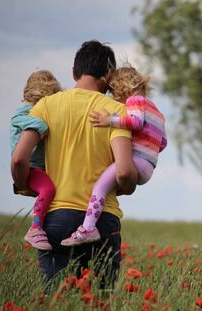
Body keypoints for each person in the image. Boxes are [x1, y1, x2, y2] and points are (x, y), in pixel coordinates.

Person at [11, 40, 138, 287]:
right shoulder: (116, 112)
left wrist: (24, 185)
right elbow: (123, 171)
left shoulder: (45, 106)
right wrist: (130, 184)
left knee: (57, 300)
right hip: (102, 220)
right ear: (108, 76)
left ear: (73, 73)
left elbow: (18, 158)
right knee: (99, 302)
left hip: (56, 218)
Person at [61, 66, 167, 246]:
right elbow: (163, 143)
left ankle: (88, 228)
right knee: (109, 185)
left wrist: (109, 120)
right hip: (149, 165)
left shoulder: (135, 100)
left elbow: (135, 122)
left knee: (100, 187)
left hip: (136, 161)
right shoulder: (157, 112)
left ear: (121, 88)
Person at [10, 70, 60, 250]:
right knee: (48, 188)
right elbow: (17, 120)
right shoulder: (26, 113)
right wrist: (41, 126)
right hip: (30, 167)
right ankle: (35, 228)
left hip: (41, 166)